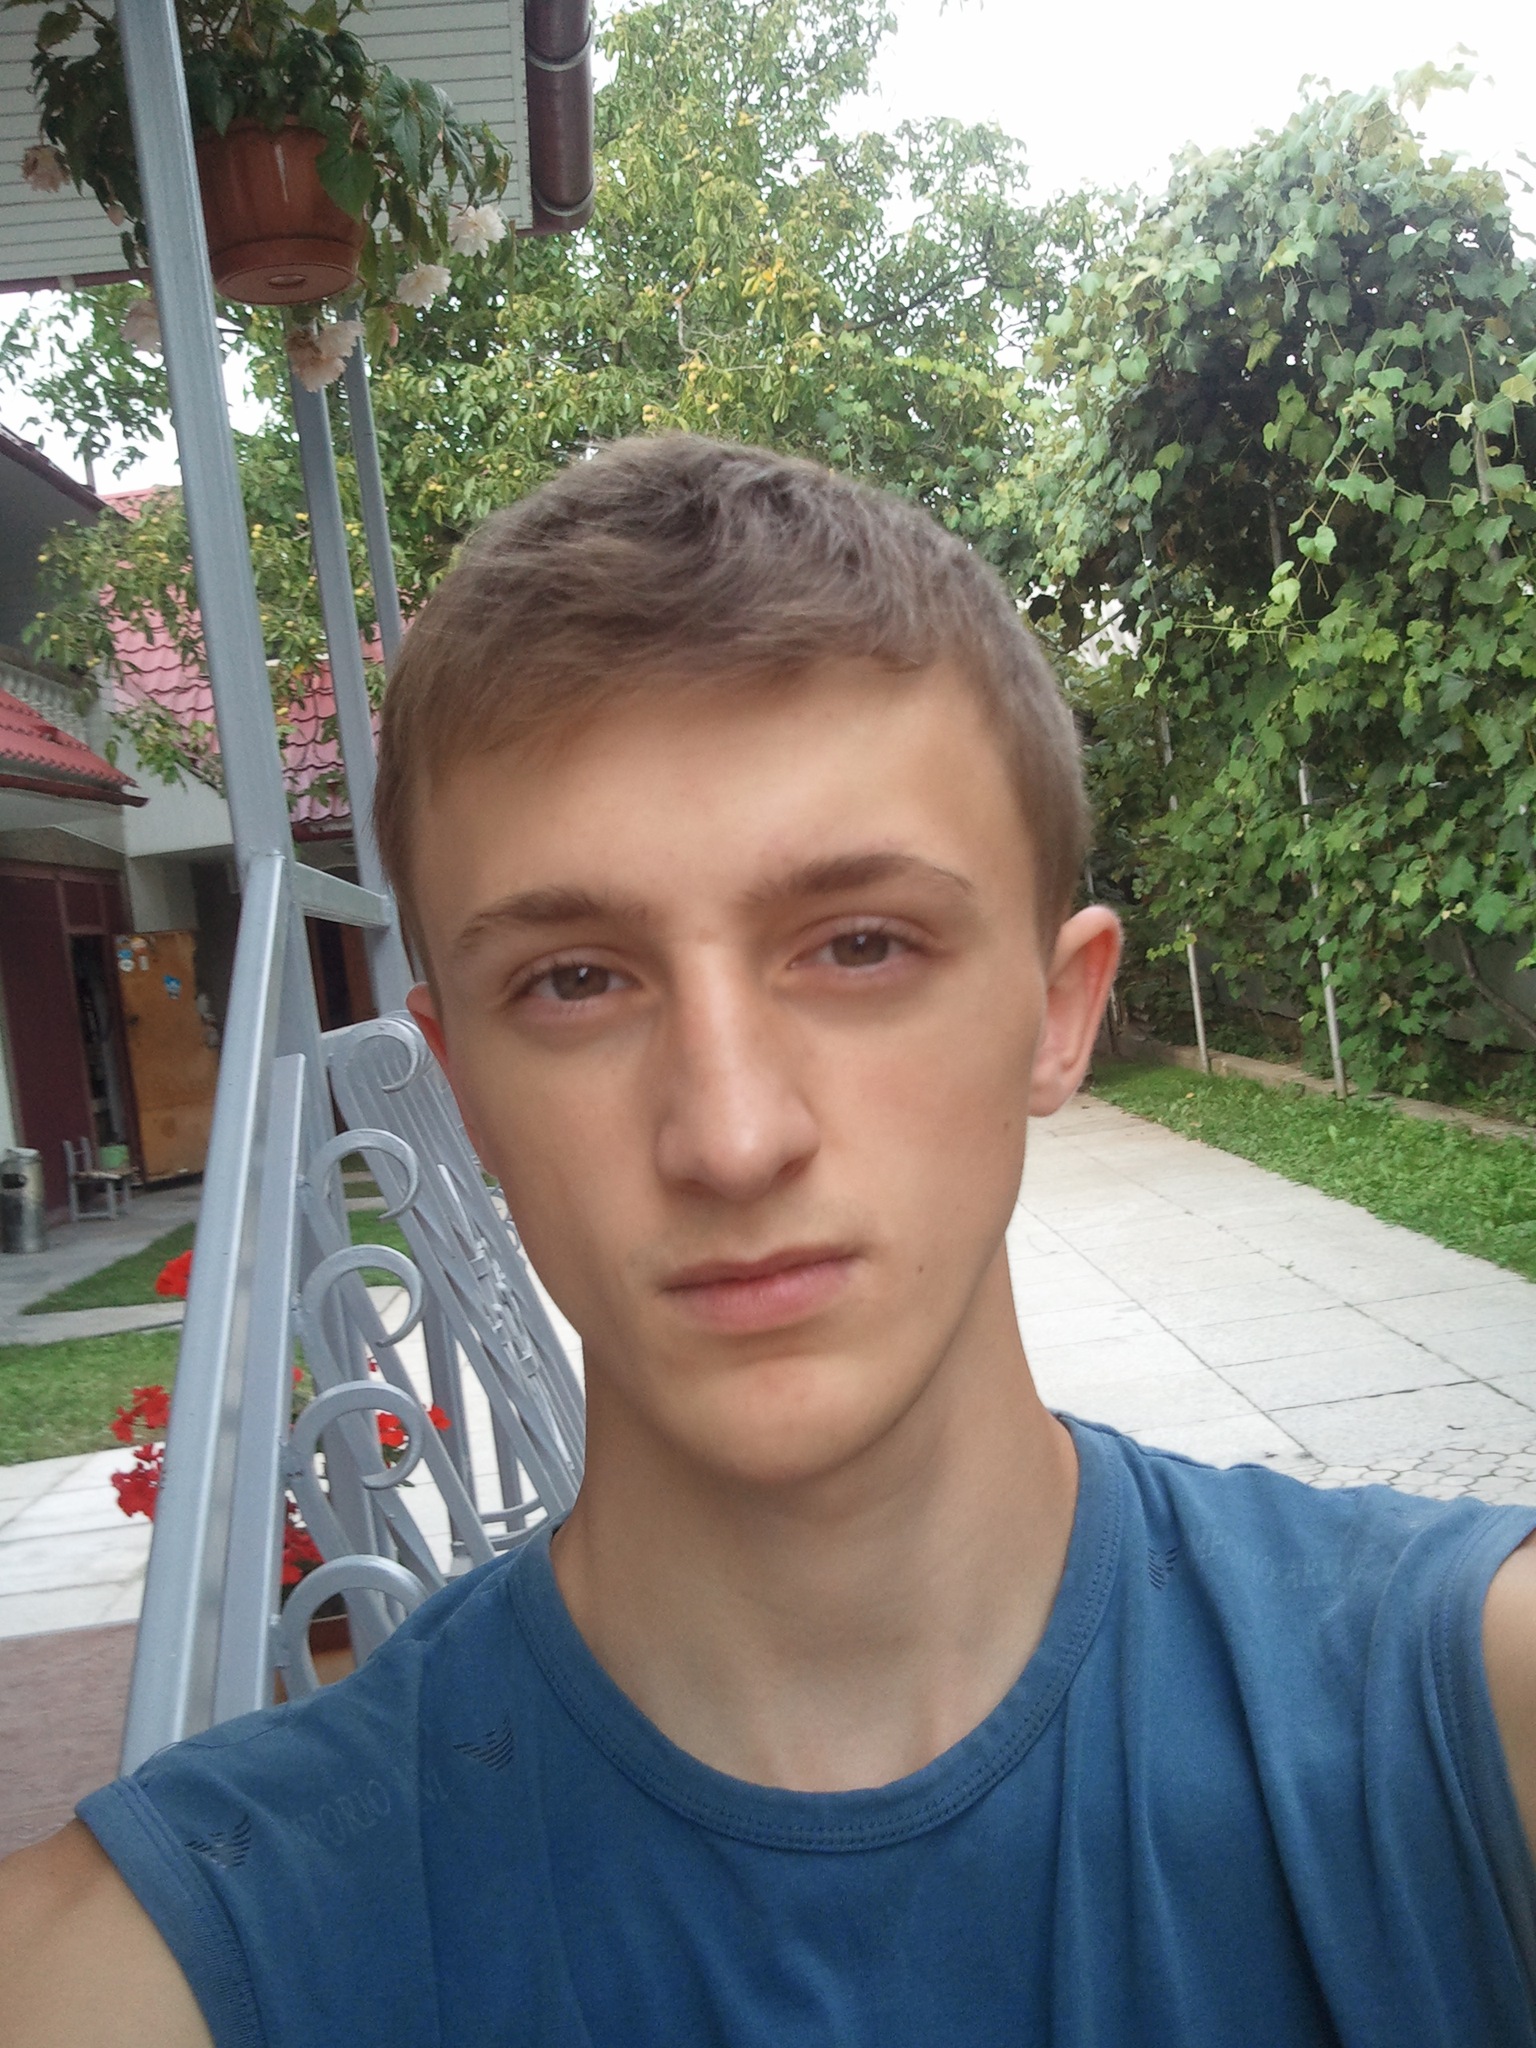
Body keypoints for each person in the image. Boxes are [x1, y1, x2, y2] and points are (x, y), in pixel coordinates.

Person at [4, 434, 1536, 2046]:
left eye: (861, 945)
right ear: (460, 1093)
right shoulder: (162, 1964)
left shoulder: (1466, 1721)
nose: (732, 1137)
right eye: (575, 981)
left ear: (1058, 1011)